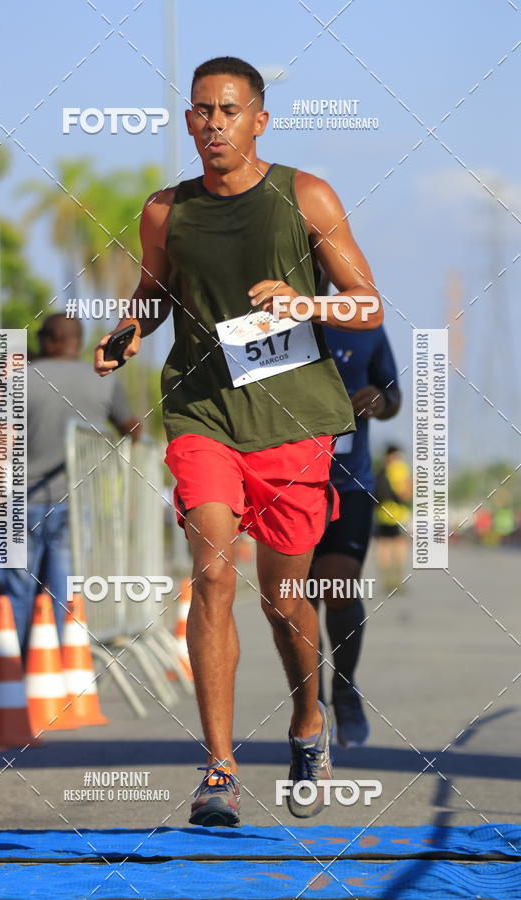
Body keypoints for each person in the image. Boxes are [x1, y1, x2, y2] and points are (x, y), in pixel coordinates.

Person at [94, 56, 383, 826]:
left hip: (291, 422)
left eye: (228, 109)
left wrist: (303, 301)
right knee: (214, 571)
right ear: (188, 121)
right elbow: (150, 299)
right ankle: (218, 769)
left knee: (285, 601)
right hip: (202, 413)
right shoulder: (165, 211)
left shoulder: (304, 196)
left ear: (259, 118)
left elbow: (369, 305)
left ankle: (306, 721)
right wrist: (127, 332)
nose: (213, 123)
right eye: (200, 110)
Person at [0, 314, 140, 655]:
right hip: (74, 501)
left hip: (20, 501)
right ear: (76, 340)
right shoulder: (104, 379)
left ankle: (13, 665)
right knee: (63, 583)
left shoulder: (21, 379)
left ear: (48, 340)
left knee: (18, 587)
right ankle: (58, 662)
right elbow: (132, 428)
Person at [308, 299, 401, 748]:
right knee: (297, 599)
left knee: (339, 585)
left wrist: (380, 401)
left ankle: (344, 690)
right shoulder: (267, 323)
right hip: (285, 485)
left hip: (349, 483)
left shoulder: (364, 322)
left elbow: (393, 394)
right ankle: (309, 708)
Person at [374, 444, 412, 592]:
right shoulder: (400, 468)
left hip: (382, 513)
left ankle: (386, 581)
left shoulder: (382, 469)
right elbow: (404, 493)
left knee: (383, 546)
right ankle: (397, 581)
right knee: (399, 546)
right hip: (398, 514)